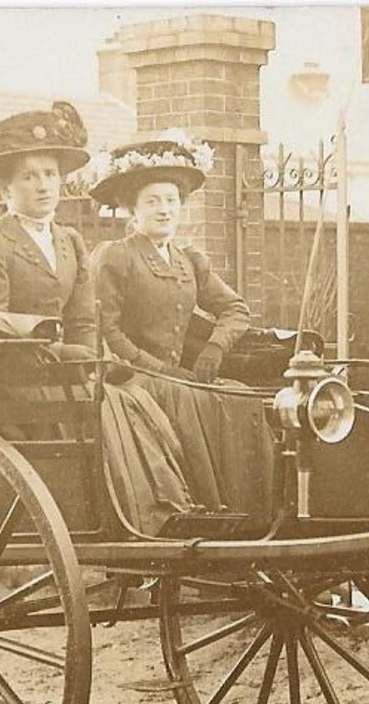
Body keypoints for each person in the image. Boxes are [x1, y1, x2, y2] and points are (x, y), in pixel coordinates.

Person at [0, 102, 197, 535]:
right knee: (108, 408)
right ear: (5, 188)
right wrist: (67, 359)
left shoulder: (69, 242)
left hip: (66, 372)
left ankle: (163, 511)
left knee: (133, 397)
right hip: (13, 382)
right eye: (29, 176)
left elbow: (84, 320)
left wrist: (87, 365)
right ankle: (142, 520)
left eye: (50, 174)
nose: (44, 186)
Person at [89, 132, 274, 517]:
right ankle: (200, 506)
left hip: (180, 377)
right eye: (153, 201)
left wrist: (214, 348)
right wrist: (161, 370)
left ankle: (250, 512)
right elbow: (107, 332)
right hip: (132, 378)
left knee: (241, 399)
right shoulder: (116, 257)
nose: (164, 210)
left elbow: (236, 308)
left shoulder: (188, 260)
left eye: (171, 201)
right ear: (132, 210)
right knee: (191, 400)